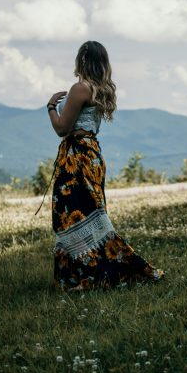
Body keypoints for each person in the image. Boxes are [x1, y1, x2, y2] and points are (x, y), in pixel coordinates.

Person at [43, 40, 165, 291]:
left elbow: (62, 128)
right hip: (93, 154)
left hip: (76, 156)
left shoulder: (80, 88)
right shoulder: (101, 88)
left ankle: (85, 277)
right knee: (92, 215)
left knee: (71, 215)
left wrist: (51, 108)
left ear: (82, 60)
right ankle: (94, 274)